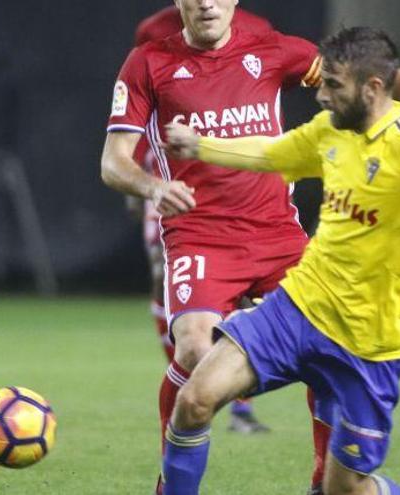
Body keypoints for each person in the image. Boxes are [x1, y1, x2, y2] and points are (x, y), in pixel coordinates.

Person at [101, 1, 400, 492]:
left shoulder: (269, 46)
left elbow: (360, 73)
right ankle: (172, 480)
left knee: (332, 343)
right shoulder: (148, 63)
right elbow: (113, 163)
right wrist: (153, 188)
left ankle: (326, 480)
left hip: (278, 234)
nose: (208, 4)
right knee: (195, 350)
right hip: (201, 235)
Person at [126, 4, 276, 435]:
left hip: (238, 187)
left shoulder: (258, 31)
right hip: (172, 176)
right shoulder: (153, 32)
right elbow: (142, 103)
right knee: (164, 276)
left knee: (248, 303)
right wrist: (141, 176)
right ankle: (187, 372)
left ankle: (238, 403)